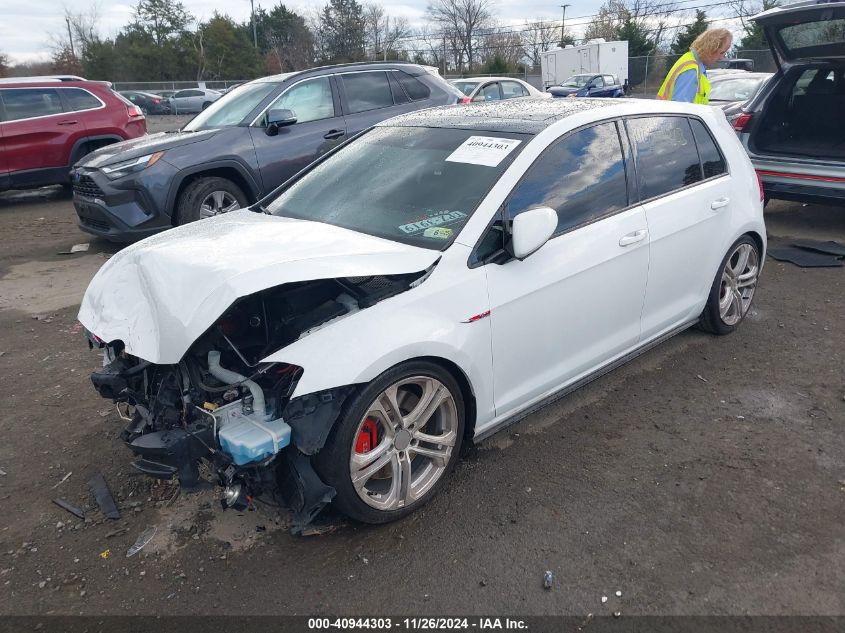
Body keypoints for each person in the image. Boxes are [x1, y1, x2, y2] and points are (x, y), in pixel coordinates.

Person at [657, 28, 733, 104]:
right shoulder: (691, 70)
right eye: (722, 52)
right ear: (711, 49)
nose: (722, 58)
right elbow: (680, 110)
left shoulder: (691, 63)